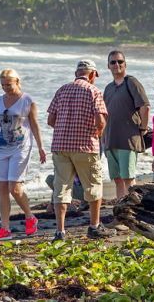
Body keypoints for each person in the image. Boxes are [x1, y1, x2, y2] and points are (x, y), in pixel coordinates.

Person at [47, 59, 112, 240]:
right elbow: (100, 120)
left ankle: (60, 231)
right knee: (93, 186)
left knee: (61, 188)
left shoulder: (62, 90)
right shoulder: (93, 91)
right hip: (85, 146)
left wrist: (64, 129)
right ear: (91, 75)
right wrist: (96, 133)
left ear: (77, 73)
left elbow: (50, 120)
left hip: (60, 146)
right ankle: (94, 226)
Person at [0, 69, 45, 241]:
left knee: (15, 188)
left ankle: (30, 217)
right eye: (3, 85)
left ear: (17, 81)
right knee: (2, 189)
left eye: (9, 85)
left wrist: (41, 147)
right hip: (0, 148)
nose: (6, 88)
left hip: (20, 148)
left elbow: (34, 125)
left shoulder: (28, 101)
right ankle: (5, 228)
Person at [102, 51, 150, 202]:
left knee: (128, 178)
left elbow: (145, 106)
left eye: (120, 62)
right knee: (117, 179)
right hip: (110, 139)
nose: (117, 65)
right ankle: (121, 212)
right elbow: (103, 114)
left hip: (128, 139)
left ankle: (133, 210)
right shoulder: (108, 88)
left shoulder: (132, 82)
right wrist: (102, 138)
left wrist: (143, 127)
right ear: (108, 66)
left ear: (125, 64)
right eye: (113, 62)